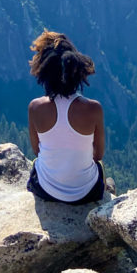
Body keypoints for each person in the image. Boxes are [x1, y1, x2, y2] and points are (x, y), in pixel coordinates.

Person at [26, 30, 111, 204]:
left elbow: (38, 151)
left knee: (36, 163)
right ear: (78, 70)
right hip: (86, 193)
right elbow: (98, 155)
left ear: (43, 72)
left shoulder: (35, 107)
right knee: (108, 180)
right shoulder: (94, 109)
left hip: (46, 190)